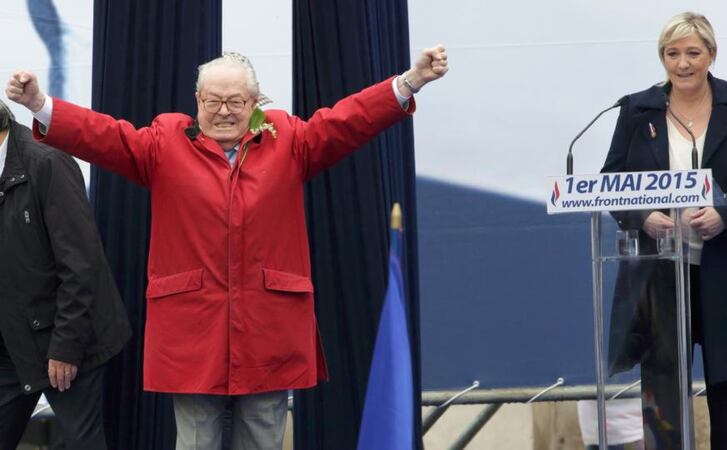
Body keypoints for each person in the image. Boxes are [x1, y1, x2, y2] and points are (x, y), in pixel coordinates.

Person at [7, 45, 447, 449]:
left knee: (261, 438)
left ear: (255, 104)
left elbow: (348, 120)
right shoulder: (165, 142)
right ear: (197, 101)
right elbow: (103, 135)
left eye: (235, 101)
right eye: (212, 101)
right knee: (197, 442)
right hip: (192, 333)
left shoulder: (289, 140)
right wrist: (38, 104)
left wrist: (410, 81)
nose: (222, 112)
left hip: (269, 330)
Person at [601, 12, 727, 450]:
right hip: (660, 270)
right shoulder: (636, 108)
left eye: (692, 53)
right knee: (661, 392)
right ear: (662, 58)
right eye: (672, 54)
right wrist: (643, 216)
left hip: (726, 268)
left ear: (711, 55)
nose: (682, 64)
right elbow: (611, 183)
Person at [0, 99, 131, 449]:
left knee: (82, 443)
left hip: (66, 337)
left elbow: (82, 265)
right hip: (11, 339)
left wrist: (66, 347)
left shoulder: (48, 162)